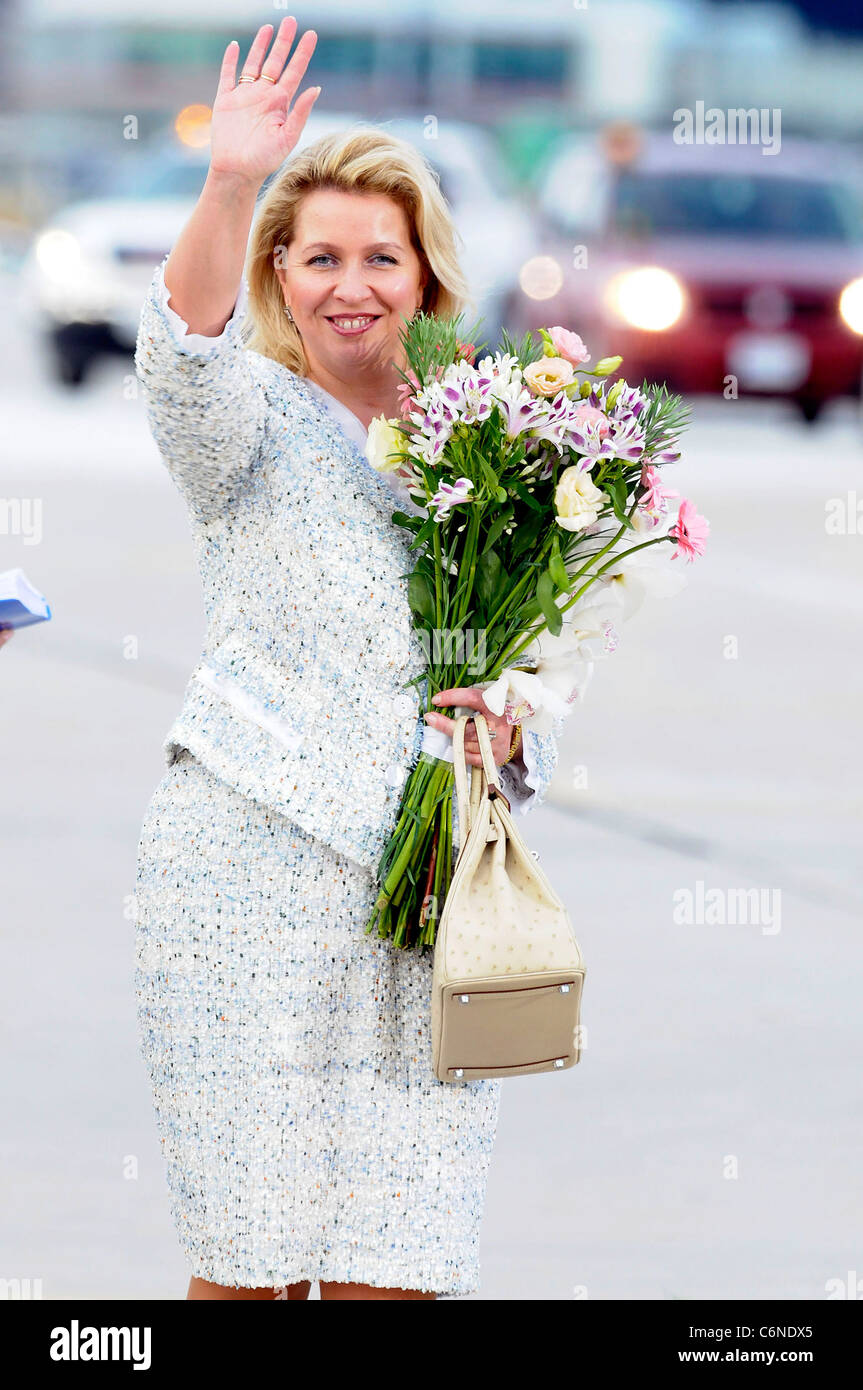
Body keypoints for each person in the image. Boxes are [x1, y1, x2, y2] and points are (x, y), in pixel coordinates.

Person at [133, 17, 560, 1303]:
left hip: (431, 899)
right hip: (243, 871)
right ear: (280, 273)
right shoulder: (246, 420)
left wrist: (514, 722)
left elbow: (540, 656)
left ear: (426, 278)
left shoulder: (497, 447)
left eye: (382, 256)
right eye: (317, 256)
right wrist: (229, 179)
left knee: (401, 1265)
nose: (350, 283)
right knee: (250, 1266)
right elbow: (182, 349)